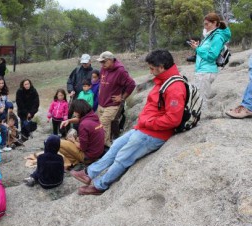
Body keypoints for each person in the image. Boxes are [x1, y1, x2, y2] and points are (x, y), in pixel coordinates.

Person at [71, 49, 186, 195]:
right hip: (143, 128)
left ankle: (100, 185)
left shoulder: (174, 87)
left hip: (154, 133)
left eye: (151, 68)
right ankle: (89, 173)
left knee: (123, 157)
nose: (150, 72)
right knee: (116, 146)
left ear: (161, 67)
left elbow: (173, 120)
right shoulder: (164, 80)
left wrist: (148, 122)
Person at [189, 12, 231, 113]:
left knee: (202, 99)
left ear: (214, 23)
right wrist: (198, 47)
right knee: (199, 97)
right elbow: (205, 51)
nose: (205, 26)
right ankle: (201, 116)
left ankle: (203, 118)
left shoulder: (217, 37)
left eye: (207, 24)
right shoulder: (210, 35)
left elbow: (212, 56)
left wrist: (198, 49)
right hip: (202, 70)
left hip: (207, 72)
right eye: (204, 24)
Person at [96, 51, 136, 147]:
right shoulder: (103, 69)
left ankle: (104, 146)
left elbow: (131, 84)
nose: (101, 64)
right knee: (103, 124)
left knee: (103, 123)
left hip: (112, 104)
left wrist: (122, 97)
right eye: (100, 62)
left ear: (110, 60)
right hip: (101, 103)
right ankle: (111, 142)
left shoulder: (120, 71)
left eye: (103, 62)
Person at [59, 99, 104, 169]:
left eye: (74, 111)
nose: (74, 114)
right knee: (74, 137)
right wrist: (68, 120)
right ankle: (76, 161)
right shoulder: (93, 116)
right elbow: (79, 119)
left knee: (58, 143)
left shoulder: (84, 125)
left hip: (88, 157)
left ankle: (76, 162)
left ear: (78, 111)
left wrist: (73, 141)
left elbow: (83, 148)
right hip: (97, 152)